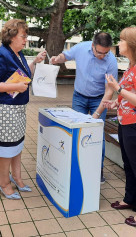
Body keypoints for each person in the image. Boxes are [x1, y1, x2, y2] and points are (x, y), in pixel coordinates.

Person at [0, 19, 46, 200]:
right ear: (11, 36)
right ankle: (4, 183)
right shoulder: (1, 55)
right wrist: (16, 87)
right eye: (23, 36)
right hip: (4, 110)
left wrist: (34, 61)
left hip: (16, 109)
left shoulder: (17, 54)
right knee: (5, 149)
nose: (25, 40)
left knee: (16, 145)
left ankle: (17, 178)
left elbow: (23, 75)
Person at [103, 26, 136, 227]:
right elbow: (132, 95)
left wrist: (118, 90)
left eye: (121, 40)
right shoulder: (133, 65)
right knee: (130, 165)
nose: (118, 44)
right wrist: (117, 102)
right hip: (127, 123)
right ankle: (131, 200)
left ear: (132, 44)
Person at [50, 32, 118, 183]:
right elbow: (65, 56)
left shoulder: (111, 61)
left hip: (99, 99)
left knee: (97, 135)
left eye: (106, 53)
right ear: (92, 46)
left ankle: (97, 169)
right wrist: (57, 59)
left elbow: (109, 90)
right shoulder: (81, 48)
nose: (102, 56)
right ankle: (75, 166)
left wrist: (97, 113)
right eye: (99, 52)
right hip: (79, 97)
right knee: (76, 131)